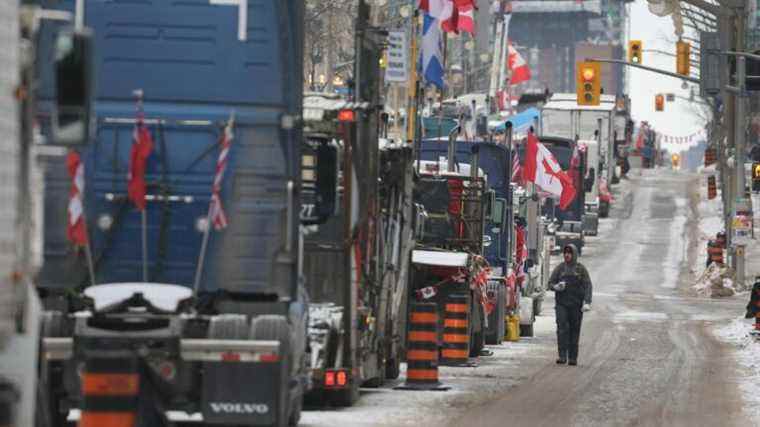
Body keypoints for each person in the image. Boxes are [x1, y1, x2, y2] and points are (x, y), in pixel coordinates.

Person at [548, 244, 593, 366]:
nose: (567, 255)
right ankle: (562, 356)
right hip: (562, 304)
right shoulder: (560, 268)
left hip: (576, 305)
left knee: (574, 330)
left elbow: (588, 285)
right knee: (562, 328)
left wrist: (587, 302)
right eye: (565, 252)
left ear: (574, 254)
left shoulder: (580, 269)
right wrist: (556, 287)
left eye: (569, 253)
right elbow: (550, 282)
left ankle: (573, 357)